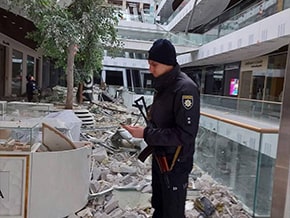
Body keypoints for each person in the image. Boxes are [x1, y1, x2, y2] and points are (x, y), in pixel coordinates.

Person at [122, 39, 200, 218]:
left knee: (172, 212)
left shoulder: (185, 89)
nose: (150, 69)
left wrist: (146, 133)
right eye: (149, 64)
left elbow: (185, 135)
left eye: (154, 64)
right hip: (161, 157)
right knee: (159, 205)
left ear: (168, 64)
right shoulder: (165, 85)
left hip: (175, 163)